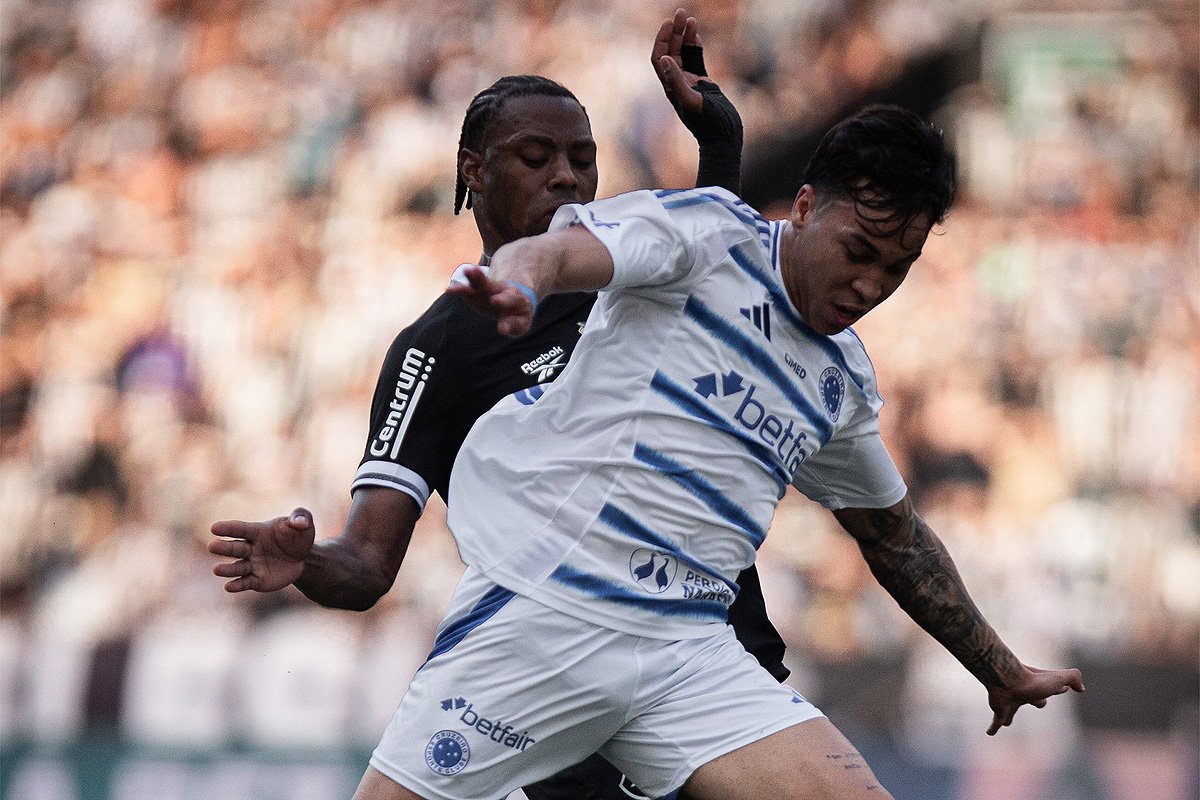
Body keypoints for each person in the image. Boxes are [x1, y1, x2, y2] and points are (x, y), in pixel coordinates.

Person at [343, 103, 1088, 800]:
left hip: (687, 653)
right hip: (547, 619)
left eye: (896, 267)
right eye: (858, 250)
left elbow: (894, 537)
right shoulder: (708, 235)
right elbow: (559, 255)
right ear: (803, 207)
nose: (870, 284)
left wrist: (999, 668)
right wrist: (520, 287)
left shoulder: (840, 381)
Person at [210, 10, 778, 800]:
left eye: (583, 160)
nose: (568, 179)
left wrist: (719, 143)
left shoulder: (632, 271)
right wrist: (307, 562)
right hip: (574, 703)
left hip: (719, 652)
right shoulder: (439, 348)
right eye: (536, 158)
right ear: (473, 170)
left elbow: (717, 250)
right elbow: (370, 563)